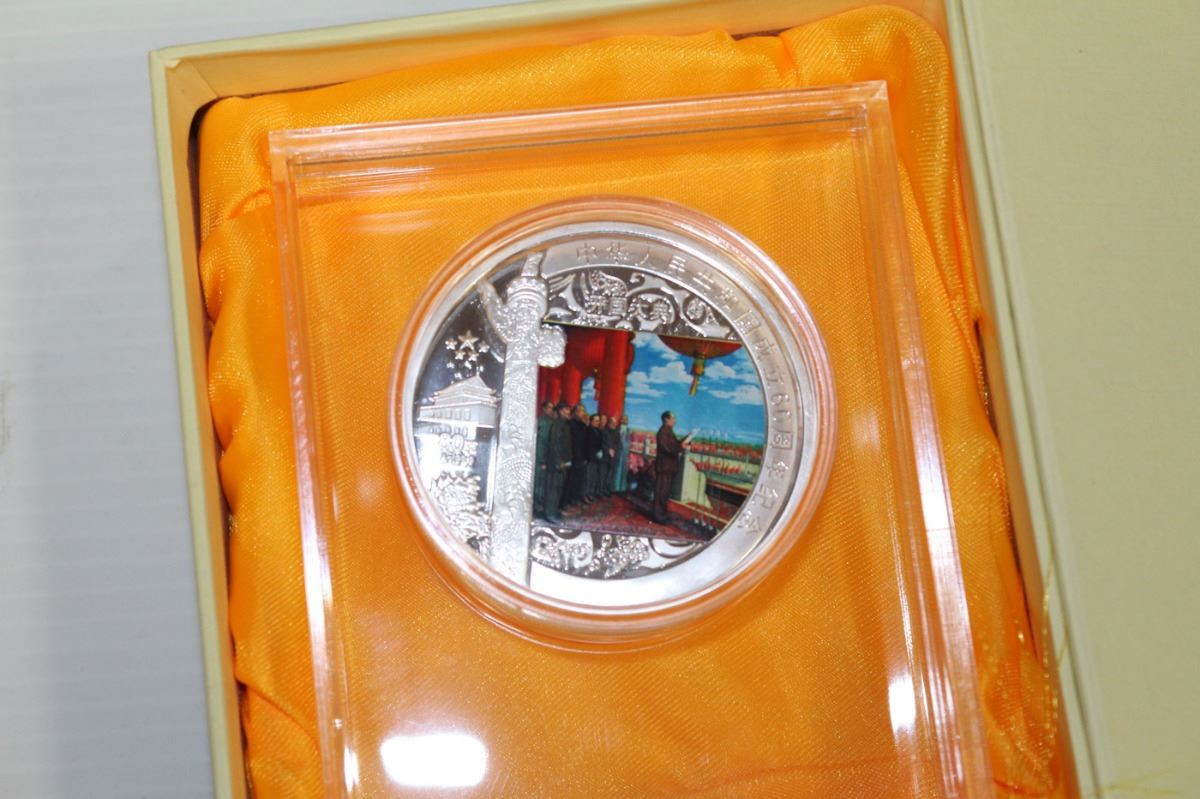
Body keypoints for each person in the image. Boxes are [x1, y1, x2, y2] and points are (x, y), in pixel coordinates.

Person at [653, 410, 692, 523]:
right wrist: (681, 447)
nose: (674, 420)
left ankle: (662, 514)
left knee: (664, 493)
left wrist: (686, 438)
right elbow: (668, 449)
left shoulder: (668, 431)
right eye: (673, 418)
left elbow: (675, 444)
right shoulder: (663, 432)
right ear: (666, 419)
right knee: (661, 492)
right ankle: (658, 516)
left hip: (667, 467)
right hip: (664, 467)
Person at [543, 402, 573, 523]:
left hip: (563, 463)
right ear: (560, 411)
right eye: (566, 410)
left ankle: (554, 510)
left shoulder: (564, 425)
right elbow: (554, 444)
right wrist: (558, 461)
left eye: (569, 410)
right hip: (557, 464)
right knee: (553, 489)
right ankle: (550, 513)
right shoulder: (557, 424)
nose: (568, 412)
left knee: (558, 489)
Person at [564, 403, 590, 508]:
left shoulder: (583, 425)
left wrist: (585, 457)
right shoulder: (570, 424)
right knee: (569, 480)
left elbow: (585, 443)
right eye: (579, 411)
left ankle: (574, 499)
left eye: (583, 411)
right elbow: (569, 442)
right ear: (575, 412)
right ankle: (566, 501)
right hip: (572, 456)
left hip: (581, 457)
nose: (582, 413)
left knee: (578, 480)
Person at [533, 400, 555, 514]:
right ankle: (537, 504)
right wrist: (542, 460)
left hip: (549, 457)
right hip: (540, 457)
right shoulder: (539, 422)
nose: (551, 410)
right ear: (544, 409)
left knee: (547, 483)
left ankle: (543, 504)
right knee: (539, 482)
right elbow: (540, 443)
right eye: (549, 408)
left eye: (552, 408)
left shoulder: (553, 422)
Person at [602, 415, 621, 496]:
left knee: (611, 475)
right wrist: (608, 450)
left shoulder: (617, 433)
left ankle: (608, 489)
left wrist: (614, 450)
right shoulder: (604, 432)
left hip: (614, 457)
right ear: (609, 423)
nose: (614, 424)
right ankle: (602, 490)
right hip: (605, 457)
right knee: (603, 475)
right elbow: (603, 443)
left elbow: (618, 444)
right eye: (612, 423)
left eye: (615, 423)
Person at [612, 414, 631, 493]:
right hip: (618, 452)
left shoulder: (629, 430)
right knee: (617, 470)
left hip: (625, 453)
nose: (625, 420)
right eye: (623, 419)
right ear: (620, 420)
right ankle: (614, 488)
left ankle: (622, 489)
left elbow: (629, 441)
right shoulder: (617, 429)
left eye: (626, 419)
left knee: (623, 471)